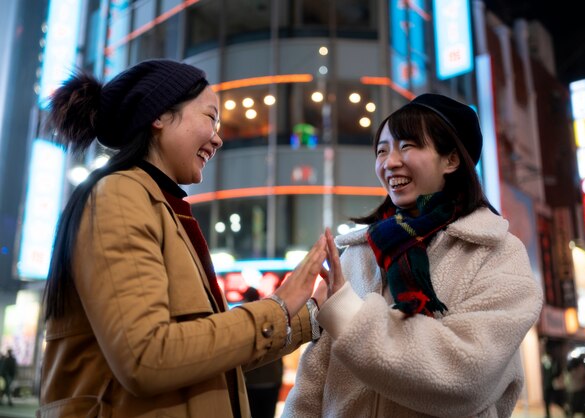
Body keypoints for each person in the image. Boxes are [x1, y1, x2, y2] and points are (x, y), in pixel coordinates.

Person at [38, 59, 329, 418]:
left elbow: (206, 353)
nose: (218, 138)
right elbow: (147, 357)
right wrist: (278, 307)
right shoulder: (120, 195)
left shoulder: (158, 203)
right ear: (159, 115)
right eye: (211, 118)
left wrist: (312, 314)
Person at [283, 93, 544, 417]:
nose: (390, 162)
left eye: (407, 146)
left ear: (451, 160)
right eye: (382, 150)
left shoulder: (496, 253)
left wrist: (348, 315)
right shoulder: (359, 253)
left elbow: (465, 376)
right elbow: (312, 386)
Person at [241, 287, 285, 418]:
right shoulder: (270, 317)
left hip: (250, 382)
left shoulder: (241, 323)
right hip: (271, 379)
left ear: (244, 299)